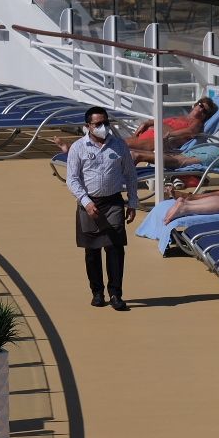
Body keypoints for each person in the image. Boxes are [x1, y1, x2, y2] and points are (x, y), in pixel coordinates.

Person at [65, 104, 140, 311]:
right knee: (92, 250)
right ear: (88, 126)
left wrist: (132, 202)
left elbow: (131, 175)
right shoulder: (78, 148)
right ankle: (97, 292)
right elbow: (72, 179)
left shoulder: (119, 145)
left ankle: (116, 293)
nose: (103, 127)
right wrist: (86, 202)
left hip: (113, 202)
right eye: (98, 124)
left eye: (106, 122)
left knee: (116, 248)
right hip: (89, 203)